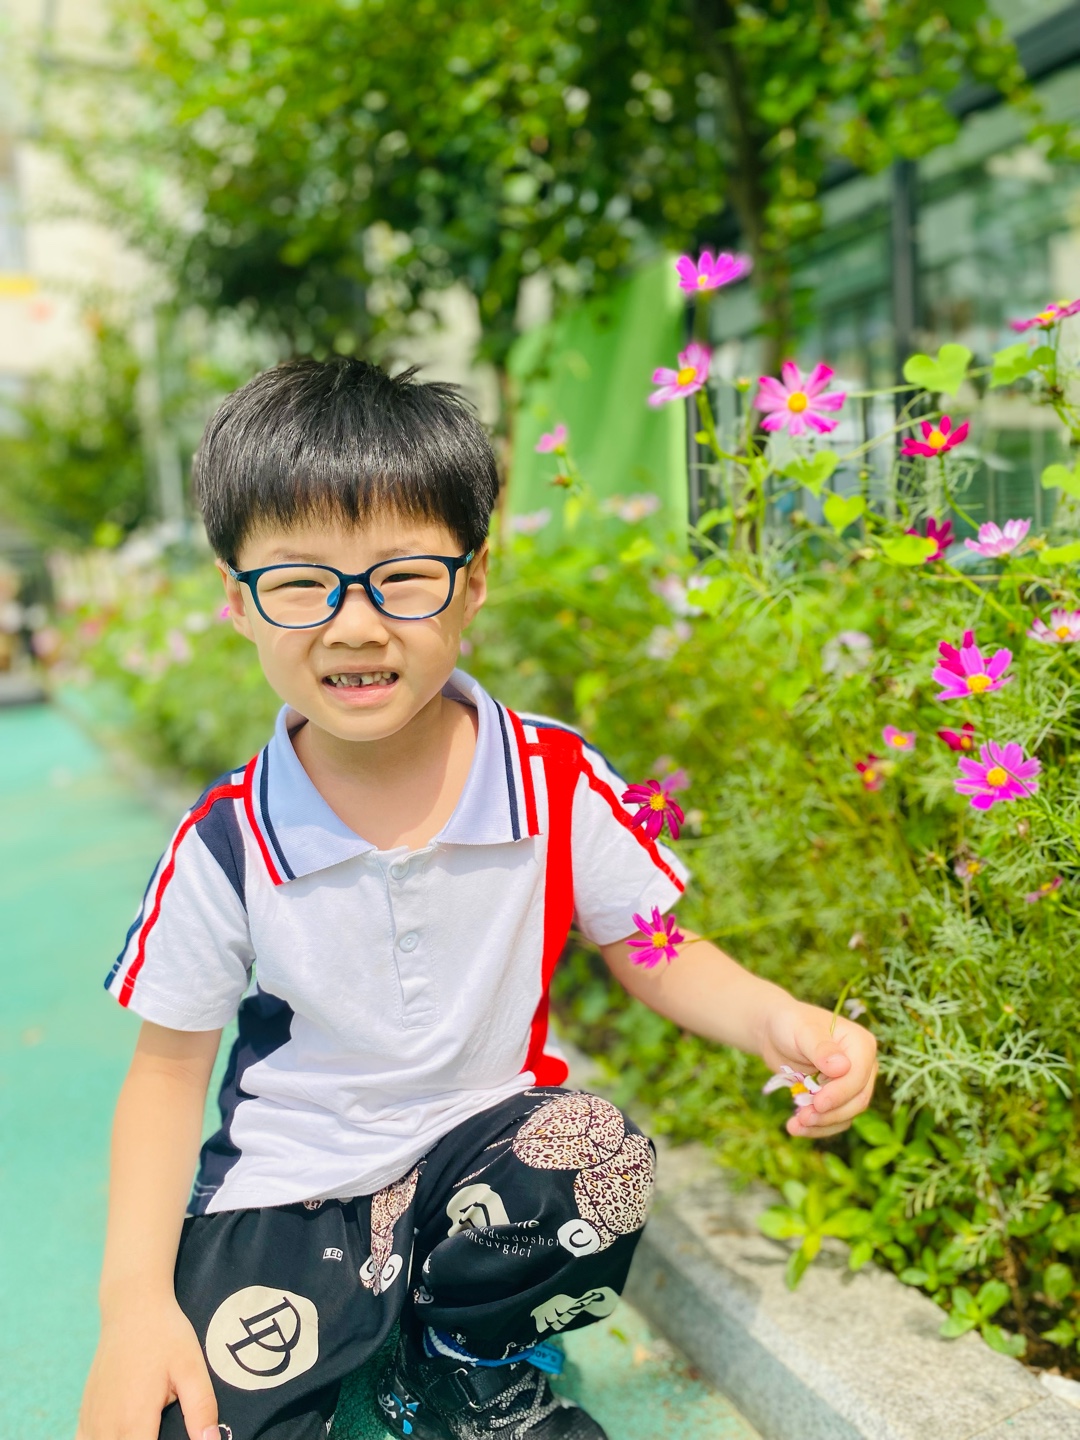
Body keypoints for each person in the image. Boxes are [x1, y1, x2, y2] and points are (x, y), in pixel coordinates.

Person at [76, 358, 877, 1440]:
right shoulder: (224, 842)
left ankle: (466, 1360)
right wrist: (133, 1307)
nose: (355, 626)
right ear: (236, 600)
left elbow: (652, 944)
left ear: (475, 578)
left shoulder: (553, 779)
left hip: (482, 1166)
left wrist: (781, 1021)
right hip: (292, 1192)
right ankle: (368, 1322)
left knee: (592, 1149)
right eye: (301, 582)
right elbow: (167, 1076)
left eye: (403, 576)